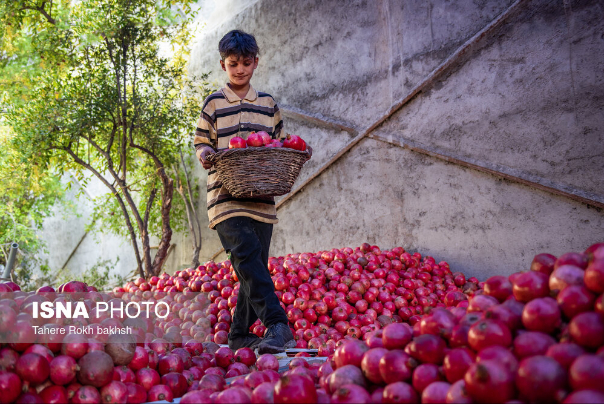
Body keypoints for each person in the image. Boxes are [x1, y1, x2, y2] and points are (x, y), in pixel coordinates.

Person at [193, 29, 311, 354]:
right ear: (223, 65)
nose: (240, 69)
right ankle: (277, 324)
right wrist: (205, 154)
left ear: (255, 62)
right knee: (245, 255)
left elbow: (280, 143)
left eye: (246, 63)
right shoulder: (214, 103)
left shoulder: (268, 104)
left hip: (261, 199)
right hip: (224, 197)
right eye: (233, 64)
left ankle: (240, 335)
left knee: (253, 264)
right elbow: (202, 141)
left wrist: (294, 150)